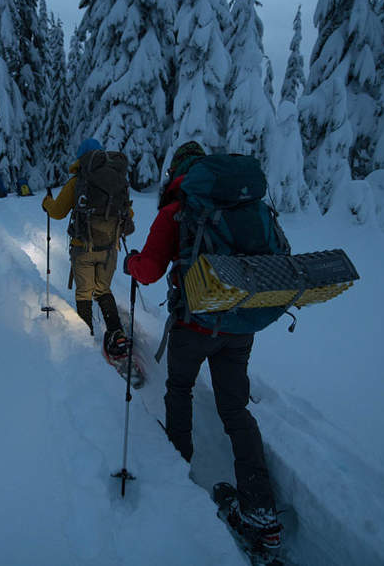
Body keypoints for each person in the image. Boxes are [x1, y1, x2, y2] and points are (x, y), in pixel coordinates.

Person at [122, 140, 282, 550]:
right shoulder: (251, 210)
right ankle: (261, 511)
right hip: (240, 325)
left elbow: (151, 270)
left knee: (179, 390)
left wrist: (131, 263)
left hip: (194, 326)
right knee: (235, 408)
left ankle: (178, 471)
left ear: (179, 175)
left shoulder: (176, 213)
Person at [42, 138, 135, 357]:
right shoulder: (118, 180)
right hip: (110, 248)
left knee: (84, 292)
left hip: (83, 246)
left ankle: (86, 336)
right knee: (103, 290)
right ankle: (116, 334)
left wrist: (46, 202)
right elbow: (127, 214)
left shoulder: (77, 182)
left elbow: (57, 212)